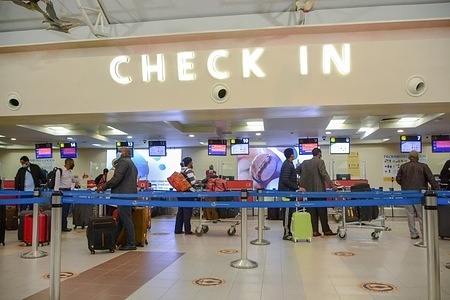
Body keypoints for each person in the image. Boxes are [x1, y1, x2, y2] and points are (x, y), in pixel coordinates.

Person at [98, 147, 138, 250]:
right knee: (121, 219)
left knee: (126, 218)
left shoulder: (123, 162)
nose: (117, 153)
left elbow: (116, 178)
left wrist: (103, 187)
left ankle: (131, 243)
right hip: (129, 194)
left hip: (123, 195)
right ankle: (113, 240)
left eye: (119, 151)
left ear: (124, 153)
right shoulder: (132, 164)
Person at [396, 150, 439, 239]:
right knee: (421, 214)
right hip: (419, 194)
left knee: (410, 214)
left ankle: (413, 234)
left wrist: (404, 185)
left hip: (406, 194)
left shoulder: (403, 167)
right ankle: (425, 234)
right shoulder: (423, 166)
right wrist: (437, 190)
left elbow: (398, 179)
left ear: (409, 157)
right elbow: (431, 179)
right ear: (417, 157)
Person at [297, 148, 338, 237]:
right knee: (322, 211)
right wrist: (332, 186)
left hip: (309, 191)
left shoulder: (304, 162)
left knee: (312, 211)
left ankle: (315, 231)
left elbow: (297, 170)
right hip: (319, 191)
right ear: (319, 153)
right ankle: (326, 230)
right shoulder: (320, 162)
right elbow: (324, 174)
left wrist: (305, 177)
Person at [278, 148, 305, 240]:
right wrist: (297, 187)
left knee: (289, 213)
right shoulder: (288, 165)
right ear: (291, 155)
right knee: (287, 213)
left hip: (288, 192)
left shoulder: (288, 164)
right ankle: (286, 232)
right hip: (287, 193)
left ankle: (288, 230)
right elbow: (285, 180)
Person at [174, 157, 199, 235]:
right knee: (187, 212)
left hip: (181, 193)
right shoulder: (189, 170)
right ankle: (188, 231)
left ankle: (178, 230)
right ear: (189, 163)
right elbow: (193, 181)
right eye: (192, 163)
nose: (192, 164)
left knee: (180, 212)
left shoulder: (181, 170)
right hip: (188, 193)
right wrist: (197, 181)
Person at [58, 158, 79, 232]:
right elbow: (56, 183)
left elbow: (73, 180)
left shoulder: (70, 172)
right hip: (62, 191)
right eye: (71, 164)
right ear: (67, 164)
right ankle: (61, 226)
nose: (72, 166)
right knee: (62, 210)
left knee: (66, 210)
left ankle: (64, 226)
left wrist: (81, 178)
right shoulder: (60, 171)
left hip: (69, 191)